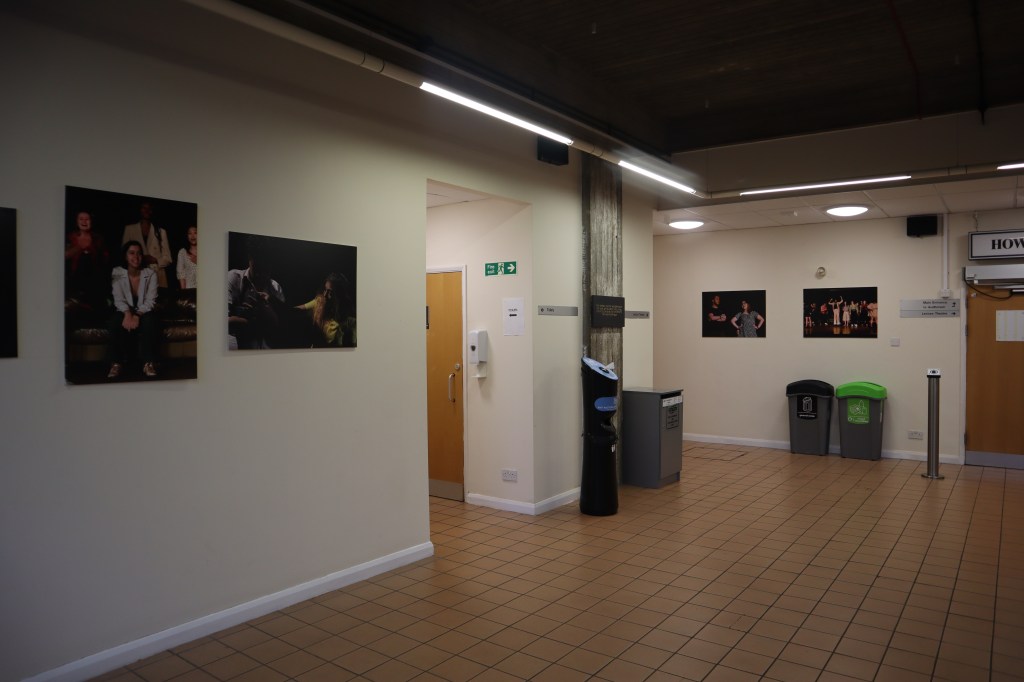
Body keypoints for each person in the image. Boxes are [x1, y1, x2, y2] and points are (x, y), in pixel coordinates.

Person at [107, 241, 159, 378]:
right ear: (125, 256)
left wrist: (137, 315)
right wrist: (127, 314)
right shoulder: (117, 272)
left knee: (150, 321)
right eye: (131, 253)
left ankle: (148, 363)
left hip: (143, 310)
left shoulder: (151, 274)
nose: (136, 257)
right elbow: (118, 298)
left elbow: (150, 301)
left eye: (139, 253)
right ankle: (116, 363)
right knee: (114, 322)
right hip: (124, 309)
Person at [227, 236, 285, 349]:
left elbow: (281, 327)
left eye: (266, 265)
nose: (261, 271)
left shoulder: (276, 287)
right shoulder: (233, 278)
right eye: (258, 264)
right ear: (250, 258)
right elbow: (220, 321)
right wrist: (257, 320)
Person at [295, 272, 356, 347]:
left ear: (339, 293)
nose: (325, 294)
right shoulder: (320, 300)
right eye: (325, 289)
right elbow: (300, 308)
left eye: (330, 291)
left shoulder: (347, 311)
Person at [122, 200, 172, 288]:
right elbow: (123, 254)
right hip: (136, 275)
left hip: (157, 276)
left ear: (152, 211)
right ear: (140, 210)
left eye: (149, 208)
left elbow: (168, 258)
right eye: (144, 208)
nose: (146, 210)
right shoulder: (129, 229)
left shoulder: (161, 232)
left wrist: (155, 260)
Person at [65, 210, 109, 307]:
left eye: (87, 219)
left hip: (94, 283)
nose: (84, 222)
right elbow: (63, 256)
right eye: (81, 219)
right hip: (73, 282)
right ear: (76, 221)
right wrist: (79, 247)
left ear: (91, 221)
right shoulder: (70, 237)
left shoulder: (98, 238)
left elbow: (105, 260)